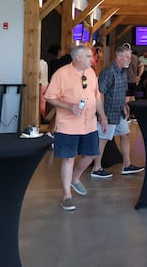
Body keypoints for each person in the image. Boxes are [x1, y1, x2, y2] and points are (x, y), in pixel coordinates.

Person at [44, 45, 108, 211]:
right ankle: (66, 196)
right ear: (78, 58)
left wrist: (102, 116)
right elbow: (50, 97)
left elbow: (97, 97)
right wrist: (69, 106)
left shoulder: (91, 73)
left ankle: (75, 178)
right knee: (68, 158)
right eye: (88, 56)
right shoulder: (62, 74)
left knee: (92, 154)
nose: (92, 59)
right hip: (68, 124)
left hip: (90, 123)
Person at [91, 46, 144, 179]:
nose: (129, 60)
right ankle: (96, 168)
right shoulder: (109, 72)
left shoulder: (123, 72)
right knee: (102, 139)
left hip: (119, 110)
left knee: (125, 135)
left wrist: (125, 105)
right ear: (118, 57)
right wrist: (102, 115)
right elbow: (100, 93)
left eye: (130, 58)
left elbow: (122, 91)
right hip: (108, 112)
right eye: (127, 57)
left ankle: (126, 165)